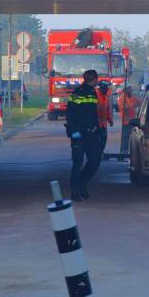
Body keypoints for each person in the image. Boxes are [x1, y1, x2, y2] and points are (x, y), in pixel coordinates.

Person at [66, 69, 106, 201]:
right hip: (78, 132)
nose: (97, 82)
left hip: (90, 133)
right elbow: (70, 113)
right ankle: (74, 191)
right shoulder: (77, 93)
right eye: (97, 80)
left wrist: (98, 129)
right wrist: (73, 131)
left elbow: (93, 114)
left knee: (95, 160)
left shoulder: (94, 92)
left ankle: (81, 182)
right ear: (93, 79)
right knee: (77, 162)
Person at [118, 85, 140, 157]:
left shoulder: (131, 97)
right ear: (126, 89)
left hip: (133, 121)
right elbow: (123, 107)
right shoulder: (122, 98)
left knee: (131, 138)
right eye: (130, 88)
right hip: (126, 121)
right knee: (125, 138)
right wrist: (133, 105)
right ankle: (123, 152)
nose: (131, 90)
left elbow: (139, 102)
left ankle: (129, 152)